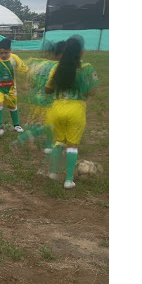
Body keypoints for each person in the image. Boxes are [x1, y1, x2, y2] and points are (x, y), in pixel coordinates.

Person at [43, 36, 99, 189]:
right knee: (72, 144)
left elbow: (47, 90)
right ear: (81, 52)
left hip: (57, 109)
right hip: (76, 110)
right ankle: (68, 180)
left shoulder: (57, 68)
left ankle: (53, 173)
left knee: (59, 141)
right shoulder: (86, 68)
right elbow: (92, 92)